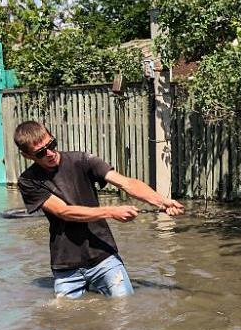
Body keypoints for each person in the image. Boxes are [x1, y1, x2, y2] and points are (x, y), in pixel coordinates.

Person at [14, 120, 184, 299]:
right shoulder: (28, 181)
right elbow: (64, 212)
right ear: (27, 156)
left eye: (51, 144)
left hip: (103, 256)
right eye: (41, 152)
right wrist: (111, 212)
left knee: (126, 309)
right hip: (66, 265)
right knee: (66, 321)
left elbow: (125, 183)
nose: (50, 153)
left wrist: (162, 202)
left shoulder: (81, 160)